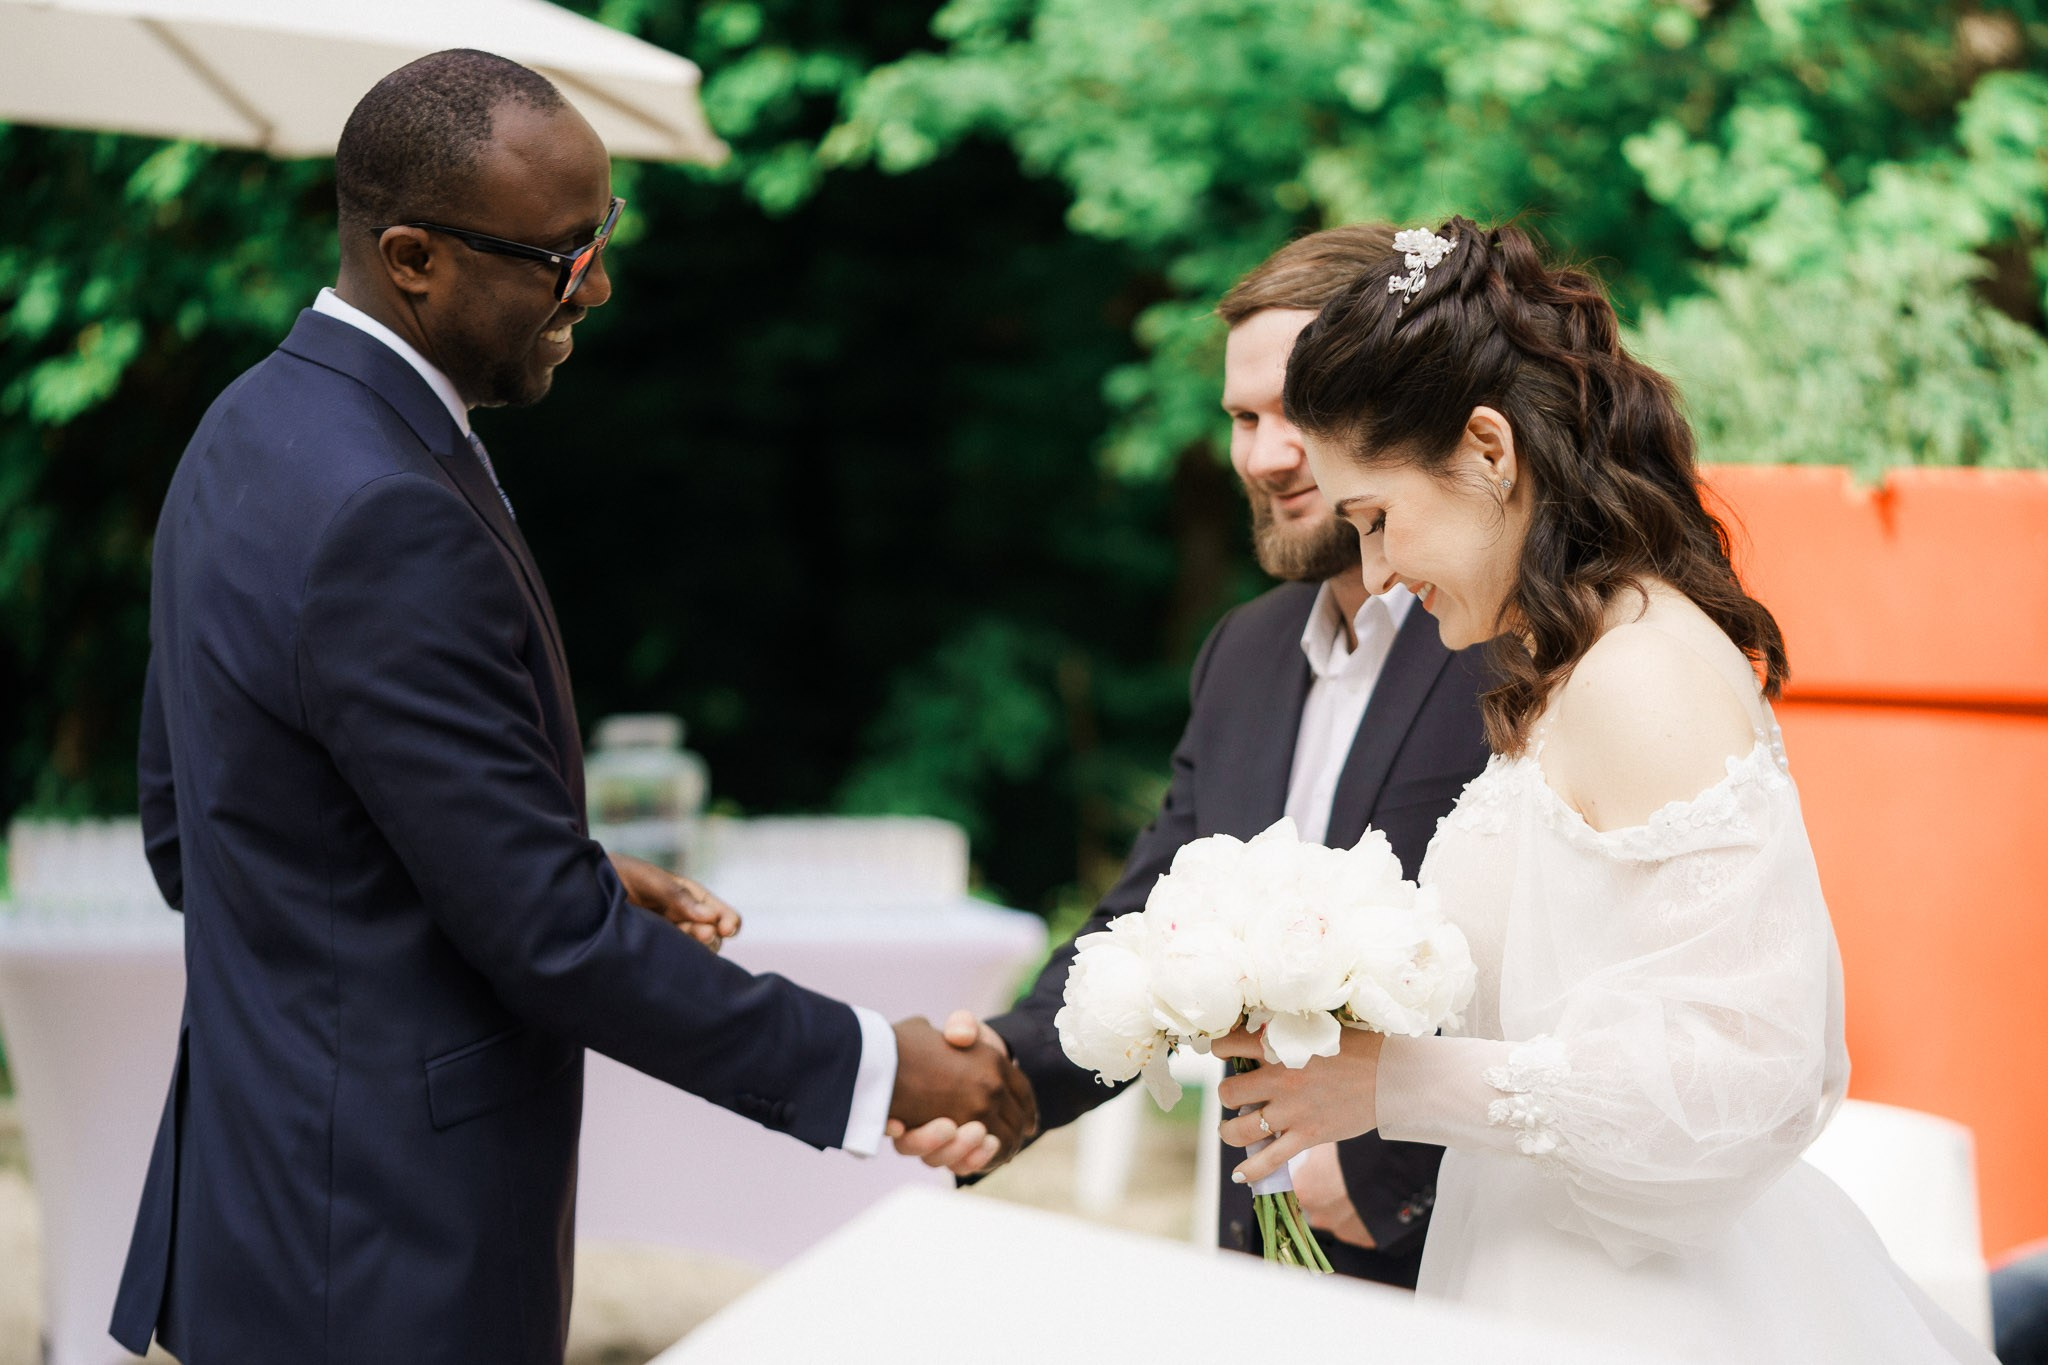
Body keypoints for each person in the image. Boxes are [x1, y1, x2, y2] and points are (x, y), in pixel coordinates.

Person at [110, 50, 1031, 1365]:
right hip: (385, 1266)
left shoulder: (245, 428)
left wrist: (551, 862)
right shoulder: (387, 507)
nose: (595, 280)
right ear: (414, 257)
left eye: (602, 231)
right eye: (558, 254)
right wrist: (872, 1067)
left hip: (257, 1226)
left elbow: (193, 835)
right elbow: (549, 944)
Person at [1208, 216, 1993, 1361]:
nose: (1371, 569)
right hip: (1536, 1273)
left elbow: (1747, 1078)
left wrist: (1395, 1084)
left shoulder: (1642, 672)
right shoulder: (1570, 662)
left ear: (1486, 449)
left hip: (1643, 1311)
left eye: (1376, 520)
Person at [892, 225, 1492, 1286]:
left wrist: (1390, 1175)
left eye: (1298, 412)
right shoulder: (1245, 653)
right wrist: (1003, 1080)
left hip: (1469, 1266)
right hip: (1253, 1260)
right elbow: (1149, 912)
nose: (1263, 456)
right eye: (1242, 418)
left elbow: (1560, 981)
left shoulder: (1516, 649)